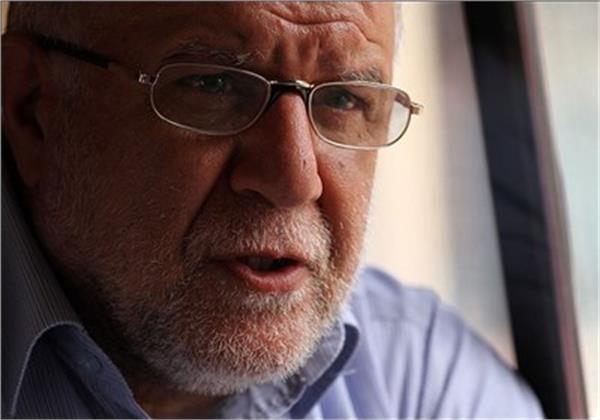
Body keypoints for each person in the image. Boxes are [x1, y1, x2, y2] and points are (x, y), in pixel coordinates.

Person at [1, 2, 543, 418]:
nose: (293, 180)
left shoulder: (418, 382)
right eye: (212, 85)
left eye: (343, 99)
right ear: (32, 107)